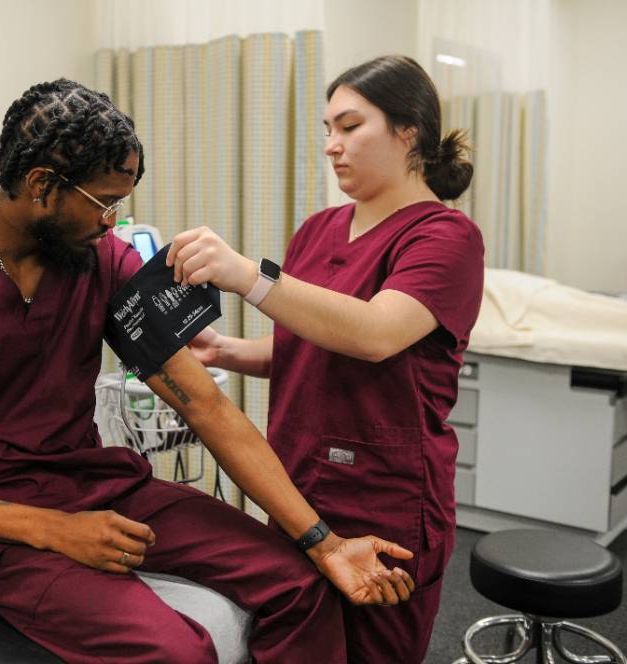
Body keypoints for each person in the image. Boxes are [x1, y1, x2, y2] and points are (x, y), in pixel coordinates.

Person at [0, 78, 415, 664]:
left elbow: (206, 406)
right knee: (176, 652)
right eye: (103, 203)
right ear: (42, 186)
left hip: (98, 487)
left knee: (298, 585)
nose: (113, 222)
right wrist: (53, 530)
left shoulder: (103, 262)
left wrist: (323, 543)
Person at [167, 55, 485, 663]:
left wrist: (246, 275)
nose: (332, 146)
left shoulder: (445, 237)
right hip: (295, 490)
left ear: (408, 132)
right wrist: (225, 350)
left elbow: (374, 334)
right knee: (289, 645)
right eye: (326, 130)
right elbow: (307, 350)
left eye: (349, 126)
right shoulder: (317, 230)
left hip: (383, 499)